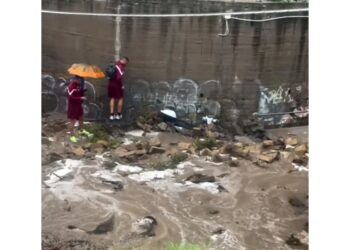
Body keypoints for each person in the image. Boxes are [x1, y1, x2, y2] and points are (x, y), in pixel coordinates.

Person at [67, 75, 92, 143]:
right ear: (75, 79)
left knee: (81, 117)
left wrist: (83, 91)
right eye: (79, 80)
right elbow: (71, 98)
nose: (80, 81)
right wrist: (80, 98)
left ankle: (81, 130)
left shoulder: (79, 86)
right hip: (73, 106)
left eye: (80, 80)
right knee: (73, 121)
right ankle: (71, 135)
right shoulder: (71, 86)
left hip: (79, 105)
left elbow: (79, 93)